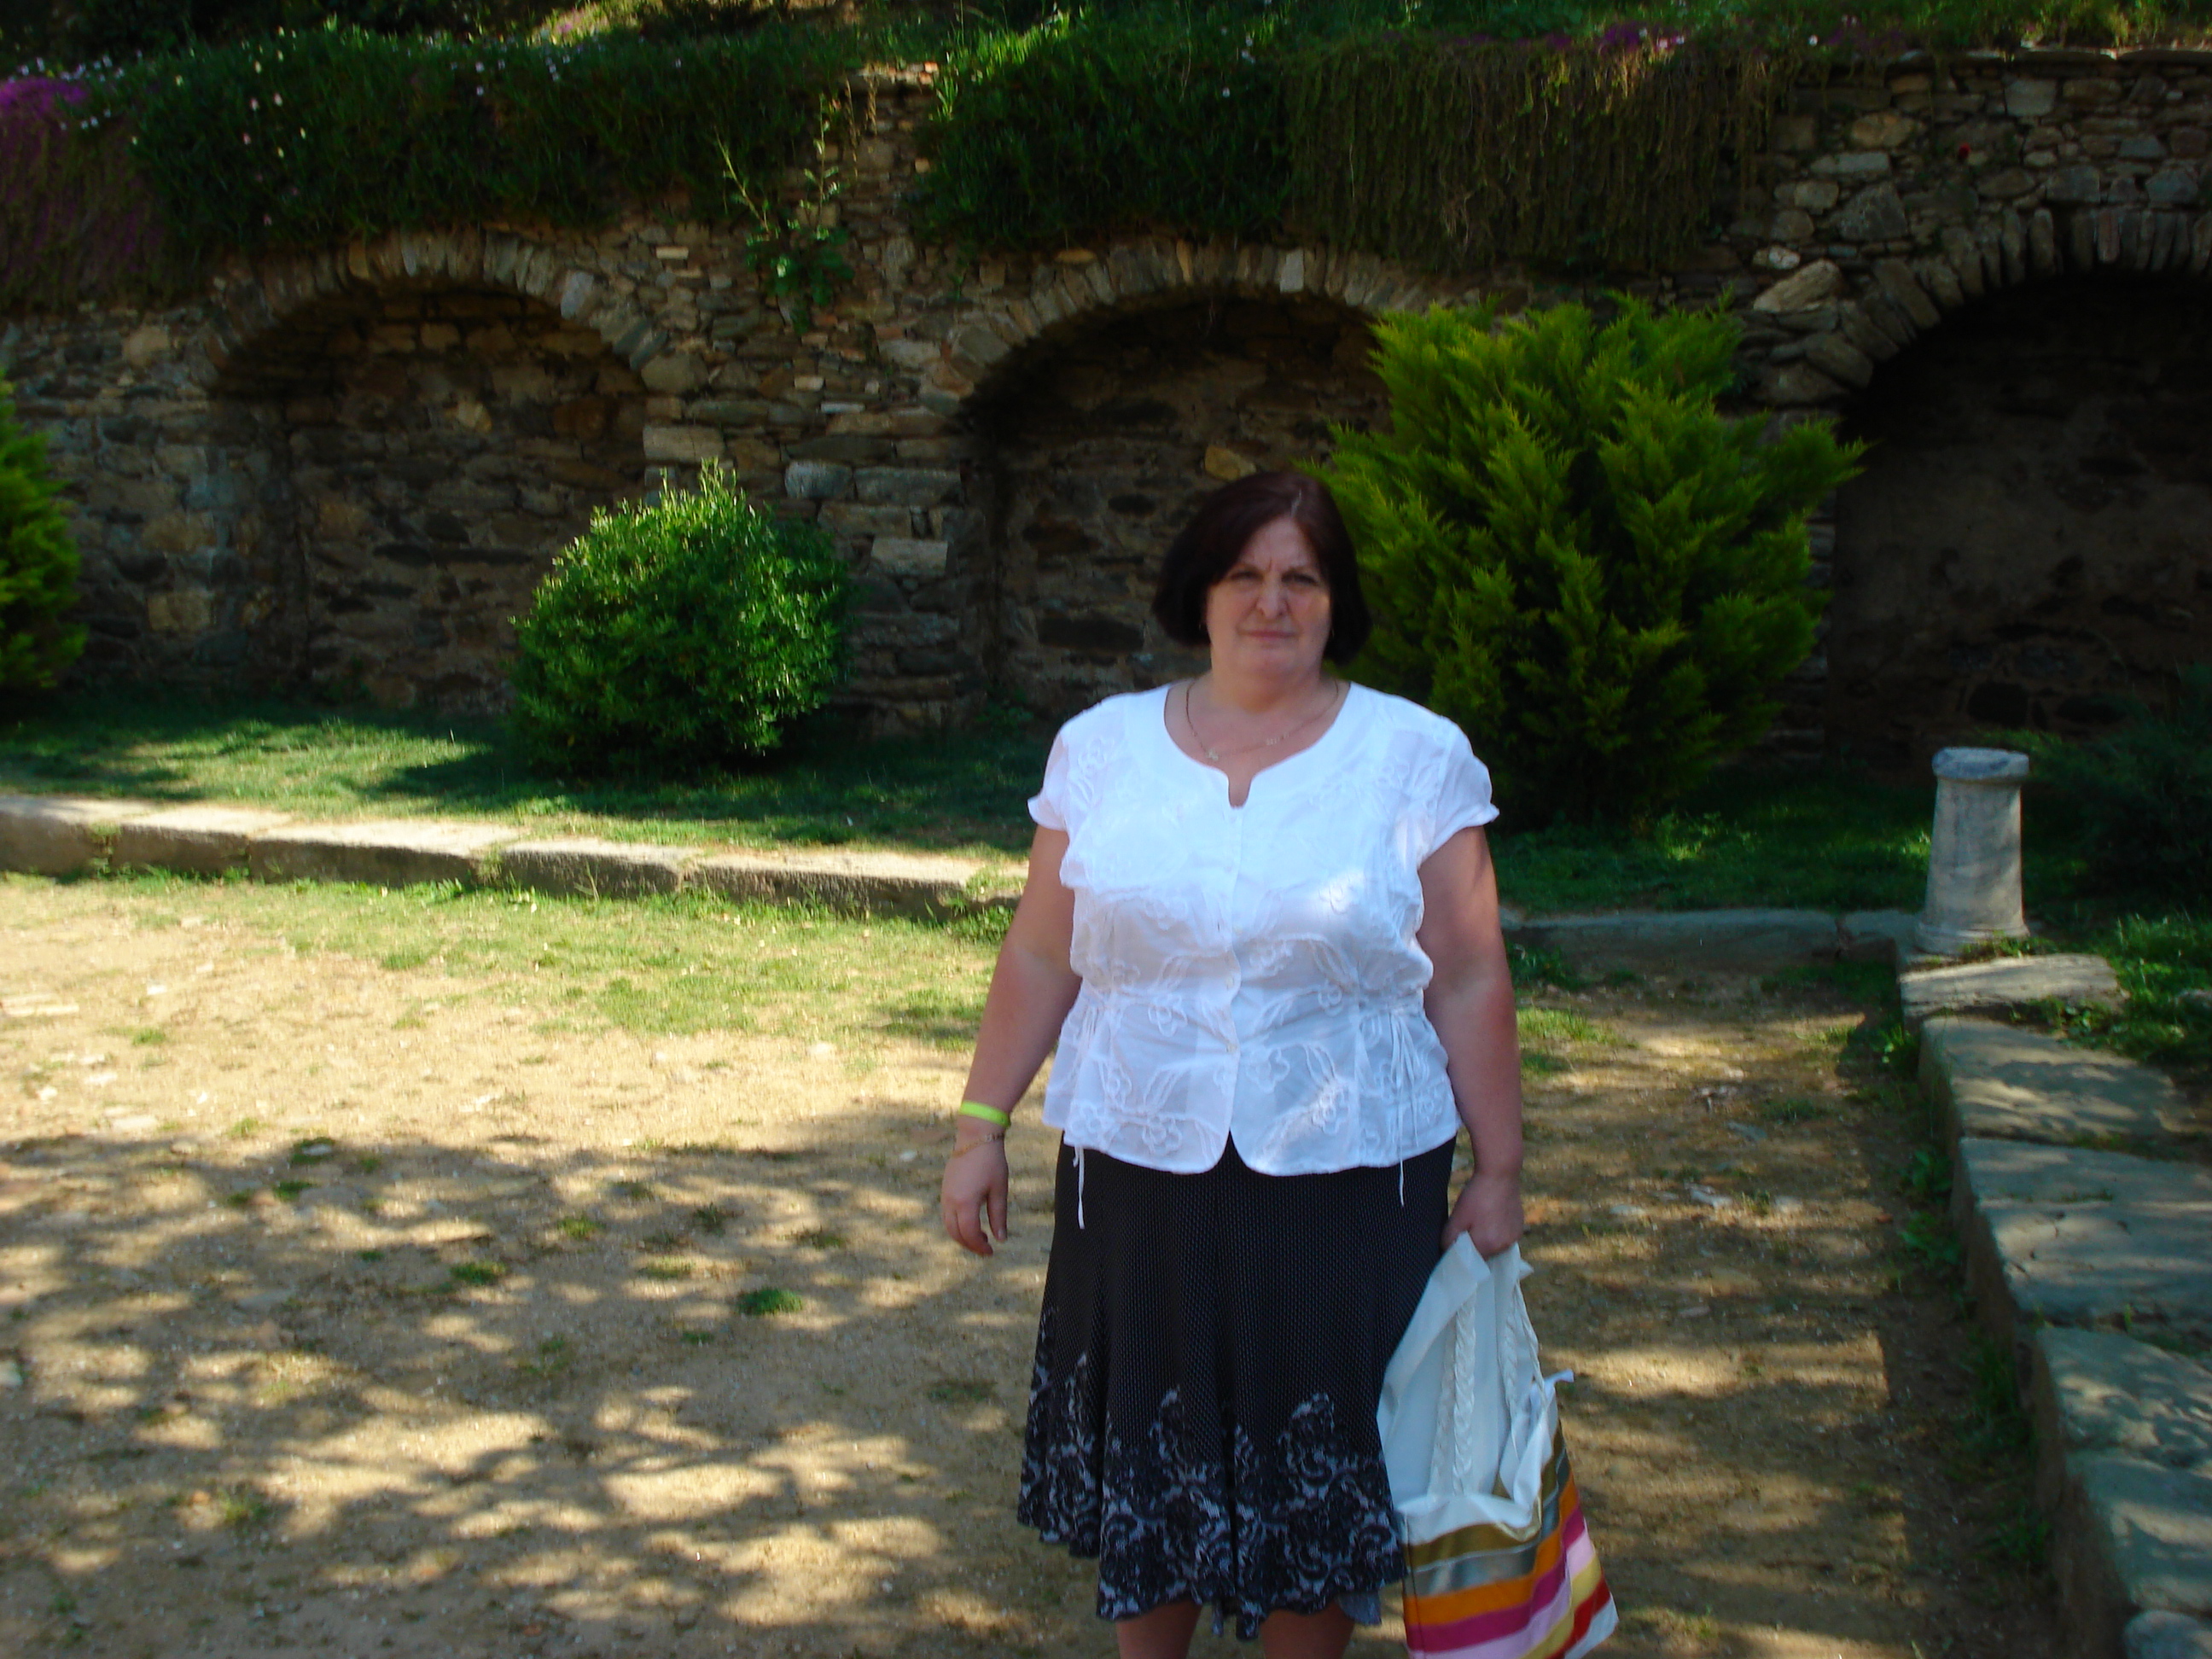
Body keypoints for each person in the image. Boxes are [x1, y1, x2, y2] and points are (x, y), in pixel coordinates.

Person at [940, 470, 1524, 1659]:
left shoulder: (1414, 756)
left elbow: (1468, 973)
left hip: (1350, 1173)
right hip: (1138, 1162)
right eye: (1245, 575)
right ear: (1198, 594)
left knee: (1318, 1458)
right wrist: (979, 1123)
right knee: (1155, 1447)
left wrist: (1500, 1168)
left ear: (1336, 600)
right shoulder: (1101, 749)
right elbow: (1043, 950)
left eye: (1301, 577)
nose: (1272, 602)